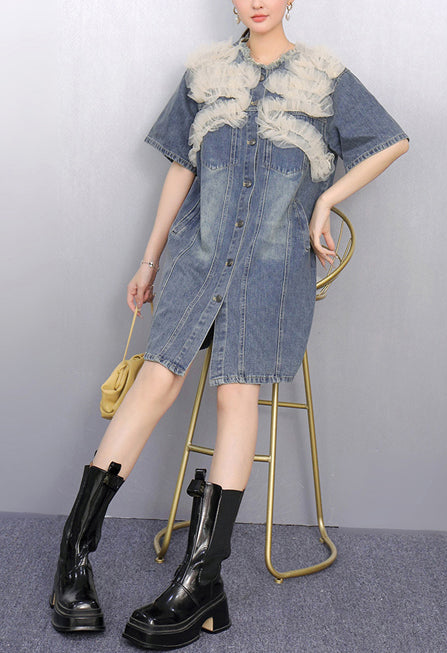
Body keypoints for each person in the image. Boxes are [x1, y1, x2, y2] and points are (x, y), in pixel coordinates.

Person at [49, 0, 409, 649]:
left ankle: (201, 582)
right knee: (154, 383)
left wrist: (325, 200)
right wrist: (149, 259)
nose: (256, 1)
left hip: (271, 271)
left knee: (236, 394)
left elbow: (392, 139)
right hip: (198, 258)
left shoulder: (324, 76)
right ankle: (72, 561)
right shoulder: (205, 72)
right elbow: (181, 168)